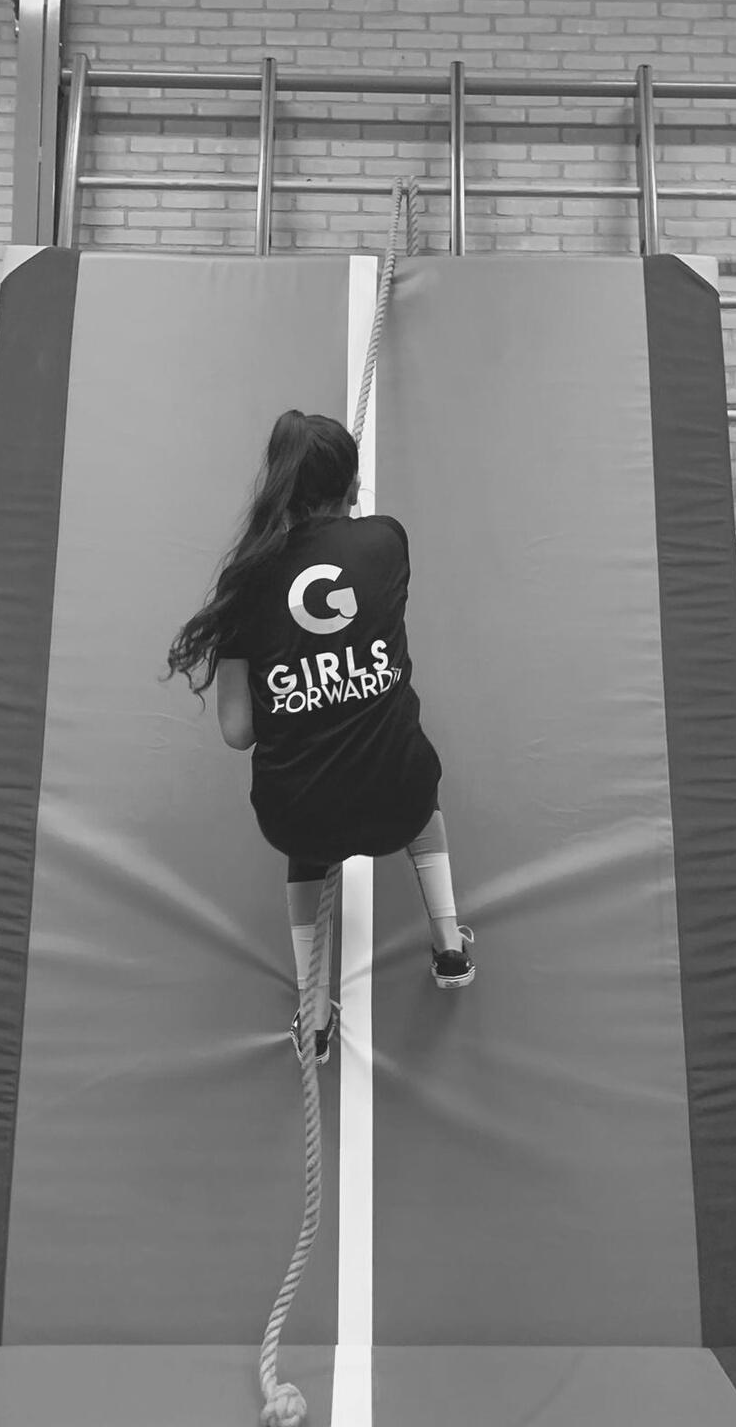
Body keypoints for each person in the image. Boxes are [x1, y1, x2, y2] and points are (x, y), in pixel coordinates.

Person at [165, 409, 475, 1067]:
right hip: (399, 798)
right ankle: (449, 946)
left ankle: (315, 1013)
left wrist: (293, 681)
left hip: (301, 817)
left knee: (308, 833)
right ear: (350, 485)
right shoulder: (387, 541)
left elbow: (237, 732)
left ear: (281, 487)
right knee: (419, 795)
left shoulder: (245, 584)